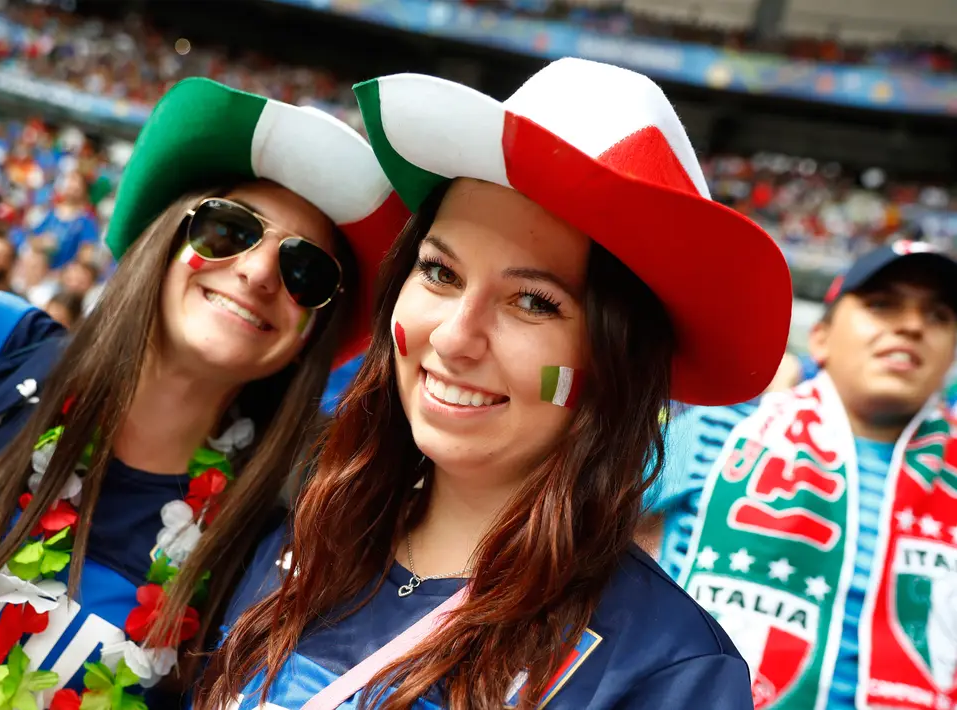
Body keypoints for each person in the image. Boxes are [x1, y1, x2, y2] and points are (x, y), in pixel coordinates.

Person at [194, 57, 793, 709]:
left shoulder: (665, 671)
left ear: (616, 363)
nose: (453, 337)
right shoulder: (299, 537)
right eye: (440, 274)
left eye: (532, 302)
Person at [0, 52, 410, 709]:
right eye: (228, 230)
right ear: (166, 239)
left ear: (310, 336)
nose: (258, 273)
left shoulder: (260, 552)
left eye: (305, 272)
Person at [643, 239, 957, 710]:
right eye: (882, 305)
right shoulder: (719, 429)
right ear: (821, 338)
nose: (912, 325)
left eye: (938, 316)